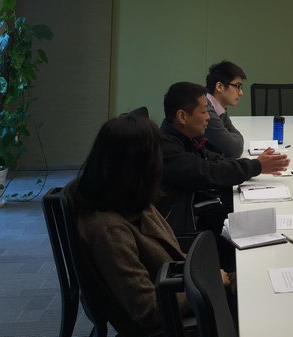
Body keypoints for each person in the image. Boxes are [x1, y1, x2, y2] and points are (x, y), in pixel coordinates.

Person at [74, 112, 232, 336]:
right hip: (177, 320)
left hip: (184, 285)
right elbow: (147, 309)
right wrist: (210, 285)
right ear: (137, 166)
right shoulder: (108, 229)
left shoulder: (130, 200)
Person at [157, 81, 290, 236]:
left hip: (196, 210)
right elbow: (208, 172)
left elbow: (213, 160)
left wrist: (255, 164)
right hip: (185, 230)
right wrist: (256, 166)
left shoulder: (185, 137)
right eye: (204, 112)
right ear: (182, 116)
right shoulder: (166, 149)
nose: (208, 117)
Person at [203, 60, 246, 157]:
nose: (241, 93)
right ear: (219, 87)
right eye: (237, 86)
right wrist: (230, 139)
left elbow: (234, 134)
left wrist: (230, 138)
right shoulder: (206, 111)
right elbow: (235, 149)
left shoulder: (219, 107)